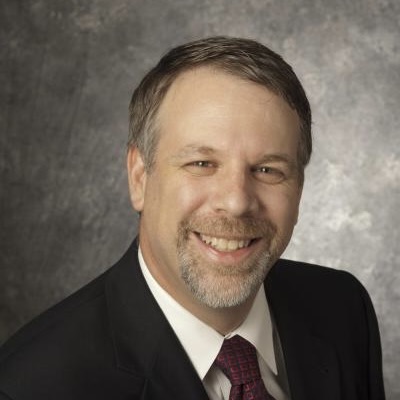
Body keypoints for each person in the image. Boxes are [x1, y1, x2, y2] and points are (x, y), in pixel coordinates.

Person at [0, 37, 385, 400]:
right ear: (139, 177)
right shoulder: (33, 385)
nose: (236, 202)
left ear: (299, 189)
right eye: (201, 163)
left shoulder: (342, 309)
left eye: (268, 170)